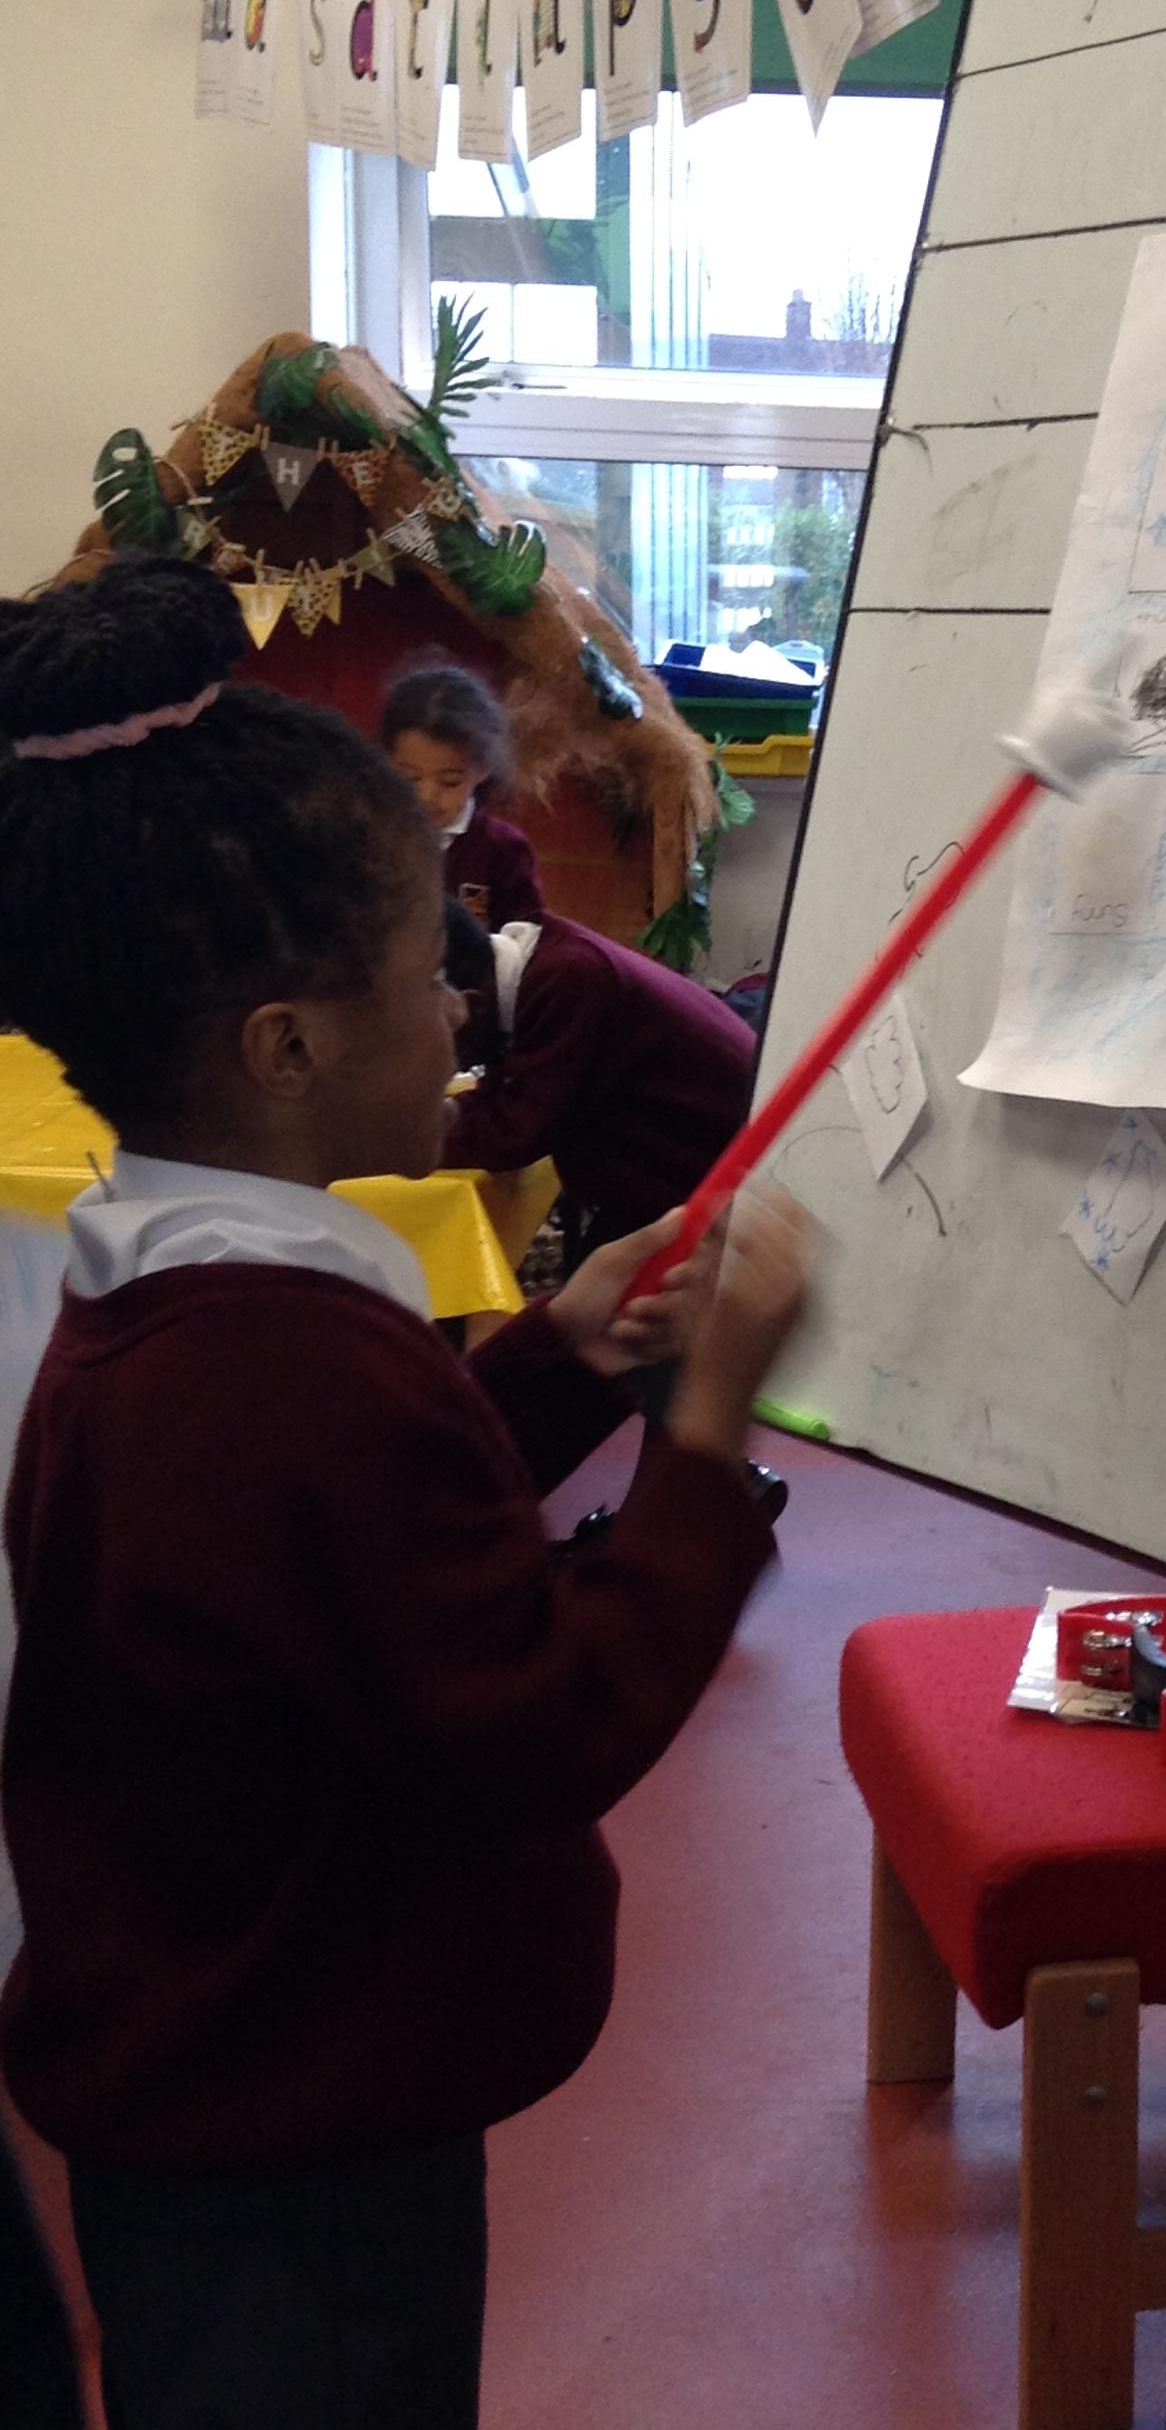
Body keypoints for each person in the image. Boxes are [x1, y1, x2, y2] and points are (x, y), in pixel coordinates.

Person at [0, 557, 812, 2430]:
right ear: (286, 1047)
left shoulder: (175, 1290)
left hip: (220, 2125)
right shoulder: (288, 1368)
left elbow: (347, 1564)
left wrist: (561, 1354)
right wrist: (704, 1438)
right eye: (420, 976)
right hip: (307, 2161)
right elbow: (538, 1716)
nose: (459, 1014)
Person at [441, 901, 757, 1263]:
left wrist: (407, 1134)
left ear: (472, 1008)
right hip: (672, 1183)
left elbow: (514, 1132)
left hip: (718, 1194)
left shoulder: (567, 978)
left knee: (599, 1289)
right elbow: (501, 1096)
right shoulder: (530, 975)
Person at [381, 659, 544, 926]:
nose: (426, 795)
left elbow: (525, 931)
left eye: (449, 782)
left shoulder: (503, 850)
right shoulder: (370, 836)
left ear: (481, 769)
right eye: (410, 778)